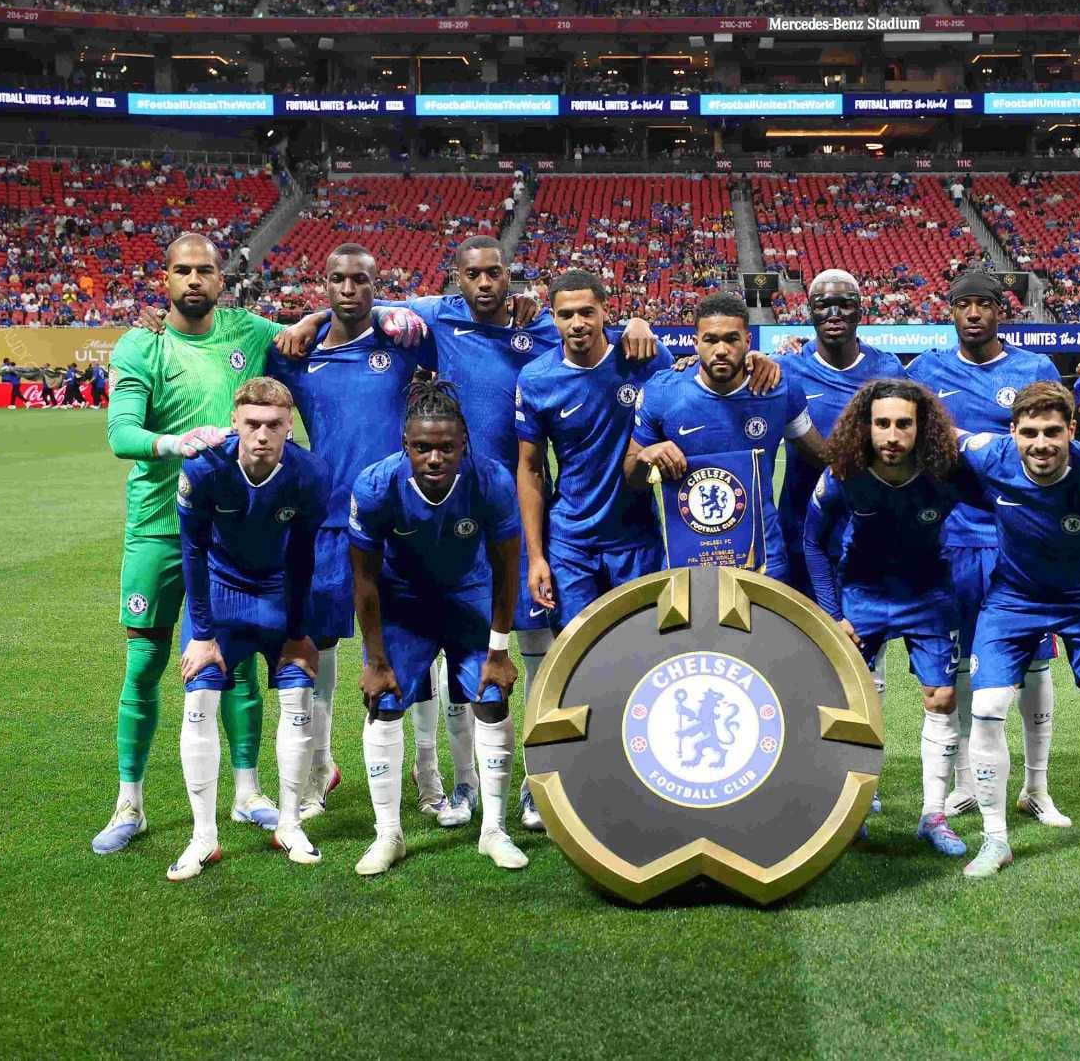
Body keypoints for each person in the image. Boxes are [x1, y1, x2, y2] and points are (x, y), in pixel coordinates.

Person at [278, 234, 656, 834]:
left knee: (527, 653)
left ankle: (538, 782)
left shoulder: (545, 329)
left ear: (512, 276)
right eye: (472, 275)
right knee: (459, 661)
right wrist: (314, 315)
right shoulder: (439, 316)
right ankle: (462, 783)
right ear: (458, 279)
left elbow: (599, 333)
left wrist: (638, 318)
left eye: (495, 273)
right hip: (442, 509)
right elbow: (364, 306)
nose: (484, 284)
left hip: (505, 509)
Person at [91, 233, 285, 856]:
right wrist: (177, 443)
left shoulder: (247, 332)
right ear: (164, 279)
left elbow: (314, 329)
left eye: (205, 270)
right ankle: (130, 803)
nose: (195, 280)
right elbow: (121, 433)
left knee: (240, 658)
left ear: (222, 280)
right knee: (144, 663)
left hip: (231, 525)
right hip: (157, 525)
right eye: (183, 270)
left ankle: (248, 791)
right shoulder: (141, 342)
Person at [957, 381, 1080, 886]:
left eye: (1051, 433)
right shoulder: (990, 456)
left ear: (1071, 430)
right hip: (1011, 601)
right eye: (1028, 433)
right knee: (986, 708)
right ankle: (994, 839)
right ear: (1012, 433)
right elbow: (943, 431)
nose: (1040, 444)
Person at [265, 243, 431, 820]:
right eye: (338, 280)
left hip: (400, 522)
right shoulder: (295, 356)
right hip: (329, 523)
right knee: (320, 646)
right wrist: (303, 322)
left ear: (374, 284)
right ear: (324, 285)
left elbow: (454, 310)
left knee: (411, 644)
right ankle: (318, 769)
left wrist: (393, 308)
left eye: (362, 281)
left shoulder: (401, 341)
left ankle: (427, 774)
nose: (349, 289)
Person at [904, 269, 1069, 829]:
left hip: (1021, 538)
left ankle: (1037, 786)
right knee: (966, 659)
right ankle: (972, 781)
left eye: (984, 304)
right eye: (962, 304)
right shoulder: (926, 371)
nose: (973, 313)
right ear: (950, 312)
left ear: (1003, 310)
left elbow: (1058, 447)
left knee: (1036, 657)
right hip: (952, 537)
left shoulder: (1034, 369)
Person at [348, 378, 527, 874]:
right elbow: (363, 581)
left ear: (463, 446)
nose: (434, 458)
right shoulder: (376, 485)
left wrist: (498, 649)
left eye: (446, 448)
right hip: (404, 603)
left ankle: (494, 830)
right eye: (422, 447)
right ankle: (389, 836)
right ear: (404, 445)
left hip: (467, 596)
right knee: (383, 702)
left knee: (491, 698)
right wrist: (377, 661)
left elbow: (507, 569)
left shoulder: (491, 481)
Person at [169, 377, 330, 881]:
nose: (262, 435)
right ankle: (203, 838)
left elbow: (305, 555)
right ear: (235, 424)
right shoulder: (204, 467)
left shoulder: (310, 474)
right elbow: (192, 551)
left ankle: (289, 823)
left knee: (299, 698)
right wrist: (201, 632)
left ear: (289, 427)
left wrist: (298, 631)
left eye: (274, 425)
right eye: (253, 424)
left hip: (279, 596)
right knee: (199, 702)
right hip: (219, 596)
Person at [804, 379, 969, 859]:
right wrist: (833, 614)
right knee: (856, 700)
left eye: (903, 424)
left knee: (941, 698)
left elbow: (999, 510)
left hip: (929, 595)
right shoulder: (844, 473)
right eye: (882, 424)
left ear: (923, 428)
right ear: (866, 425)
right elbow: (813, 543)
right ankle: (857, 804)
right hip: (863, 595)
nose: (892, 435)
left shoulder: (948, 472)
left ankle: (933, 815)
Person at [624, 291, 828, 585]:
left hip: (764, 561)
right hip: (689, 560)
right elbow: (633, 477)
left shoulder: (779, 390)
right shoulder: (662, 391)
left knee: (763, 632)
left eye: (731, 339)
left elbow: (819, 456)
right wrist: (646, 457)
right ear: (695, 343)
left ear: (748, 341)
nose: (721, 349)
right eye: (710, 340)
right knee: (692, 632)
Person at [515, 270, 674, 640]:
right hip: (570, 543)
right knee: (576, 655)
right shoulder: (536, 379)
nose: (577, 323)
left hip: (637, 538)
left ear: (606, 310)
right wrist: (537, 556)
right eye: (566, 314)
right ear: (552, 317)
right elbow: (530, 470)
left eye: (587, 312)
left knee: (646, 648)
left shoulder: (644, 357)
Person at [774, 269, 907, 601]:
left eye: (844, 304)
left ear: (860, 310)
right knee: (804, 644)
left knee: (860, 644)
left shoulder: (888, 370)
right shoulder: (787, 369)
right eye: (823, 305)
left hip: (867, 535)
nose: (834, 314)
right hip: (801, 532)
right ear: (809, 311)